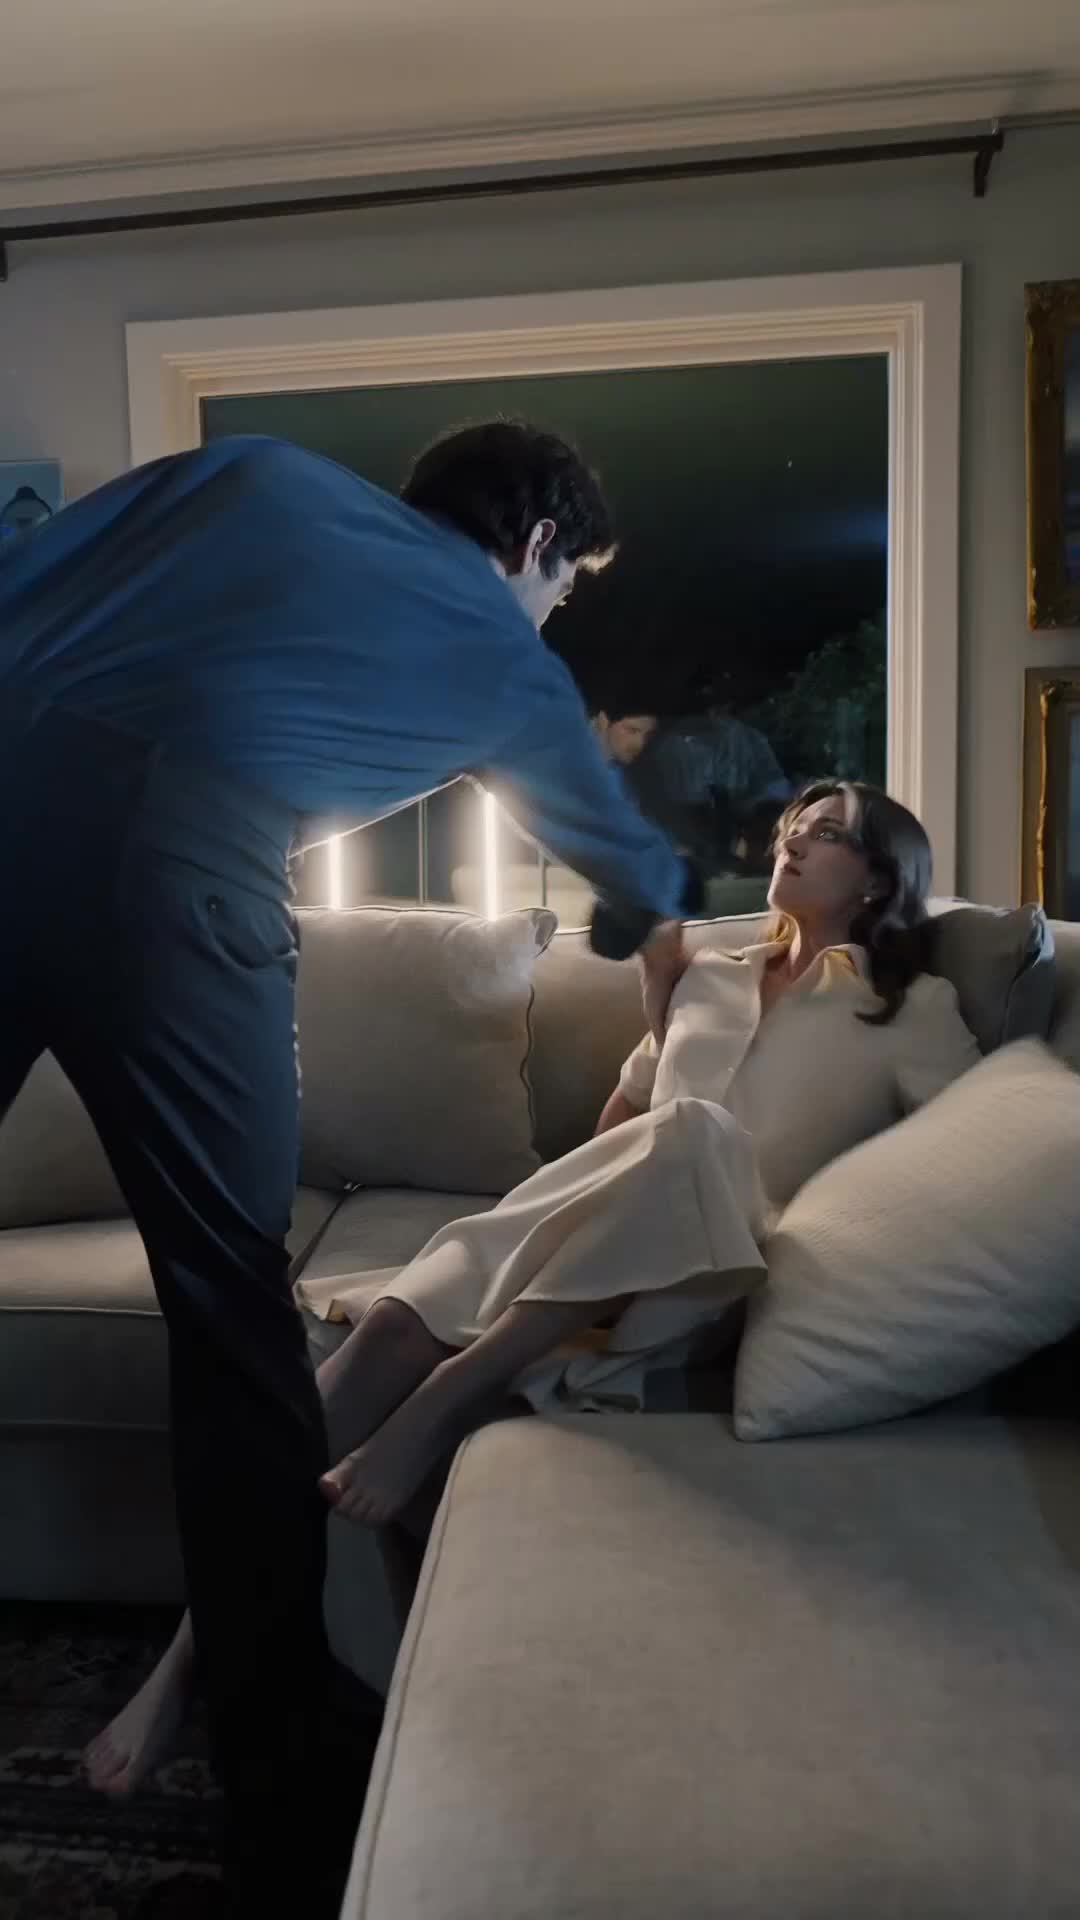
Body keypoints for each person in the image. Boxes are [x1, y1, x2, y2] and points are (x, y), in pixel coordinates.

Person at [0, 421, 700, 1916]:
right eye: (564, 586)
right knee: (234, 1320)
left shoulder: (253, 472)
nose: (551, 616)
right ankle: (281, 1789)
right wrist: (647, 928)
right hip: (180, 874)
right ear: (534, 544)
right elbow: (632, 871)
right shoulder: (503, 656)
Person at [87, 779, 981, 1790]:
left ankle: (450, 1394)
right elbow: (618, 1133)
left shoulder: (914, 1010)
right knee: (388, 1325)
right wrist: (654, 1024)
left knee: (697, 1133)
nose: (794, 842)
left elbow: (958, 1158)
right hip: (603, 1247)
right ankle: (182, 1670)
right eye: (794, 827)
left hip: (708, 1276)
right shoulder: (708, 974)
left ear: (877, 880)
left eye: (827, 835)